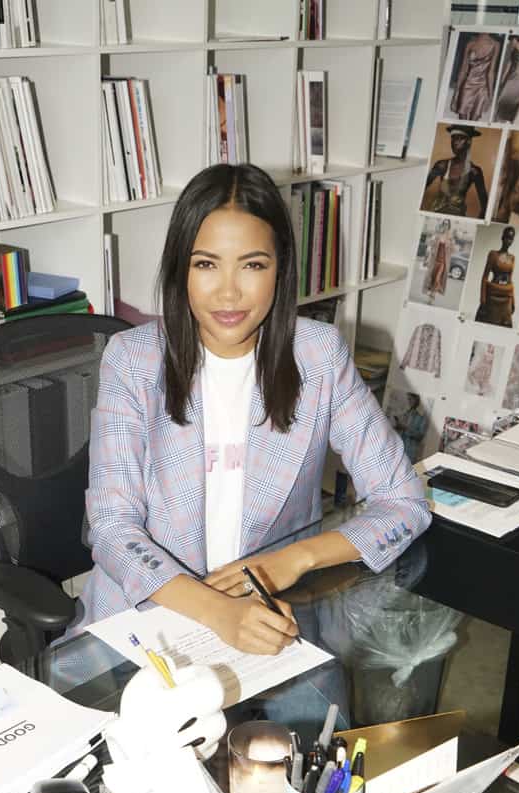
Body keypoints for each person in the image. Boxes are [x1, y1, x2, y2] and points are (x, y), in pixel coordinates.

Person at [79, 164, 431, 730]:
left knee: (318, 763)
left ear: (281, 271)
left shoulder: (318, 357)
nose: (228, 292)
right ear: (180, 271)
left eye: (253, 266)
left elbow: (403, 502)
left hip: (276, 616)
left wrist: (288, 561)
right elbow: (114, 528)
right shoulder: (133, 360)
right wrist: (220, 613)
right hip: (148, 613)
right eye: (205, 265)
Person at [422, 126, 489, 219]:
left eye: (459, 138)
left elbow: (485, 205)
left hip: (457, 217)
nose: (454, 142)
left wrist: (477, 223)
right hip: (437, 214)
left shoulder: (474, 171)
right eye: (453, 138)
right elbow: (421, 188)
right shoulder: (442, 165)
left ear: (469, 141)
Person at [449, 32, 501, 121]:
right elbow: (491, 72)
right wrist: (490, 95)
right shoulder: (495, 44)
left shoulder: (471, 44)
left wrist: (456, 94)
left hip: (469, 86)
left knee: (463, 121)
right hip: (482, 88)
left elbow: (463, 70)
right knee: (471, 122)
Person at [475, 226, 516, 328]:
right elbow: (485, 277)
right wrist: (483, 301)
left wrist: (513, 301)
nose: (508, 241)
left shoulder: (512, 258)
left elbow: (510, 280)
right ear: (502, 237)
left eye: (511, 238)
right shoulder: (493, 254)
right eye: (507, 237)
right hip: (493, 295)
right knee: (487, 324)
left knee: (504, 327)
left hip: (506, 296)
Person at [422, 219, 453, 303]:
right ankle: (431, 294)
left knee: (437, 279)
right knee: (432, 278)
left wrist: (449, 245)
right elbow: (431, 247)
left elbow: (452, 250)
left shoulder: (450, 237)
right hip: (434, 260)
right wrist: (427, 259)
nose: (445, 225)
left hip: (443, 262)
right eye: (444, 223)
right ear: (442, 224)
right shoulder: (438, 235)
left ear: (449, 226)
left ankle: (433, 296)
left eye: (447, 224)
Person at [391, 394, 427, 464]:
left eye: (411, 399)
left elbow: (420, 436)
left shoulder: (421, 418)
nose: (409, 401)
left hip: (409, 452)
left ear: (416, 401)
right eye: (408, 399)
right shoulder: (405, 414)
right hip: (398, 449)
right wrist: (397, 426)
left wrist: (406, 428)